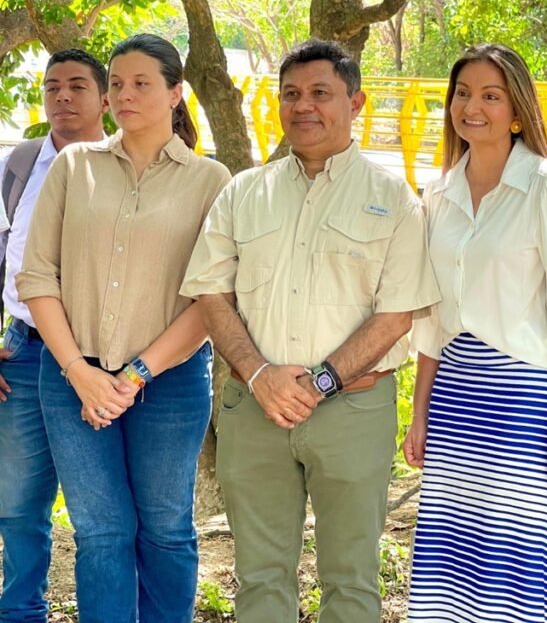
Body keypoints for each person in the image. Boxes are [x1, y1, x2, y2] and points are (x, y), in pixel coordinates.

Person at [180, 39, 439, 623]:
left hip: (352, 412)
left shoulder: (393, 199)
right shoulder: (243, 193)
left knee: (351, 581)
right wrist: (261, 375)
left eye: (321, 93)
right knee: (261, 579)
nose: (304, 106)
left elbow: (398, 313)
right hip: (254, 410)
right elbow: (211, 294)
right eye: (291, 94)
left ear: (356, 102)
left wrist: (316, 383)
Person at [16, 34, 231, 623]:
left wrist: (134, 375)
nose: (125, 93)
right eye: (116, 83)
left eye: (141, 82)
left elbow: (210, 298)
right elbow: (38, 276)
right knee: (101, 530)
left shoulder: (211, 181)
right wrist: (81, 373)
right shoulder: (73, 166)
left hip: (170, 384)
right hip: (70, 378)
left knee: (165, 527)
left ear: (175, 92)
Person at [402, 43, 547, 623]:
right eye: (463, 93)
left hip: (527, 405)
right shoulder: (438, 193)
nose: (474, 107)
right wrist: (418, 413)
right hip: (455, 402)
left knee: (525, 571)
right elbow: (434, 317)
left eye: (491, 96)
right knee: (455, 574)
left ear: (516, 110)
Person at [0, 49, 108, 623]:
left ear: (105, 99)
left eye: (77, 86)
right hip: (22, 350)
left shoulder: (119, 165)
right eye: (52, 87)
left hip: (97, 360)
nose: (62, 96)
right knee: (17, 504)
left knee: (100, 514)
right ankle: (19, 612)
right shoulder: (18, 166)